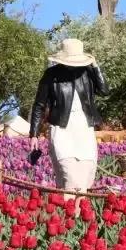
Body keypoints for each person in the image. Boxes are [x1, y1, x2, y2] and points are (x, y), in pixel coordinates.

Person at [29, 39, 108, 203]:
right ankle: (70, 213)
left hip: (84, 127)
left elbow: (104, 90)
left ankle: (76, 215)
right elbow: (39, 105)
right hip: (61, 128)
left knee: (85, 178)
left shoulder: (88, 72)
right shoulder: (51, 74)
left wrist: (95, 66)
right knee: (69, 175)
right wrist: (34, 134)